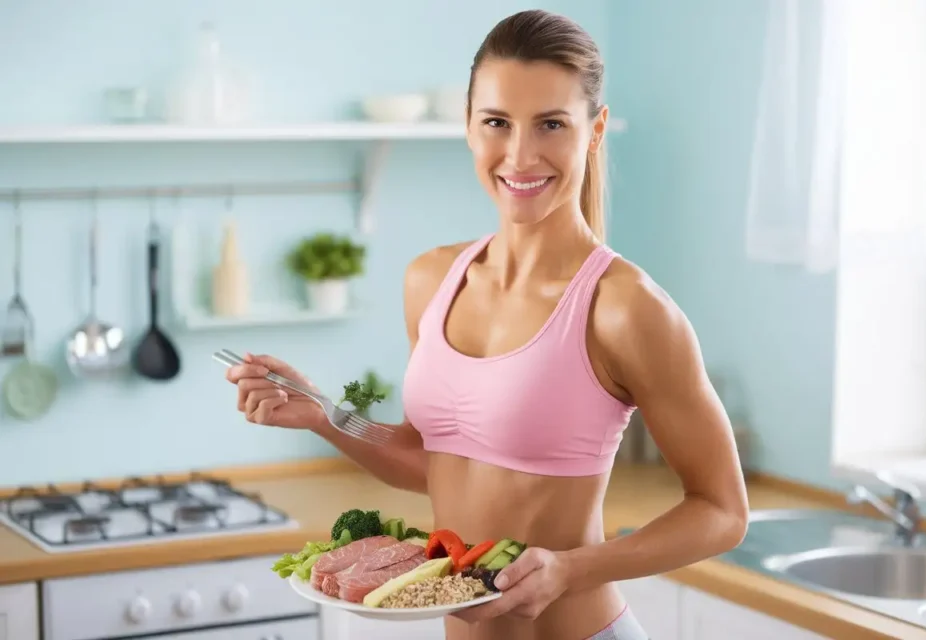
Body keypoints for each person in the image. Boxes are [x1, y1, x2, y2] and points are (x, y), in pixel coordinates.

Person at [226, 9, 748, 640]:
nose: (520, 154)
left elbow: (722, 511)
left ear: (595, 130)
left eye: (551, 124)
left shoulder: (624, 307)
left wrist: (571, 570)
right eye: (497, 122)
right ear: (470, 129)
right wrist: (323, 414)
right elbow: (432, 462)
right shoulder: (431, 281)